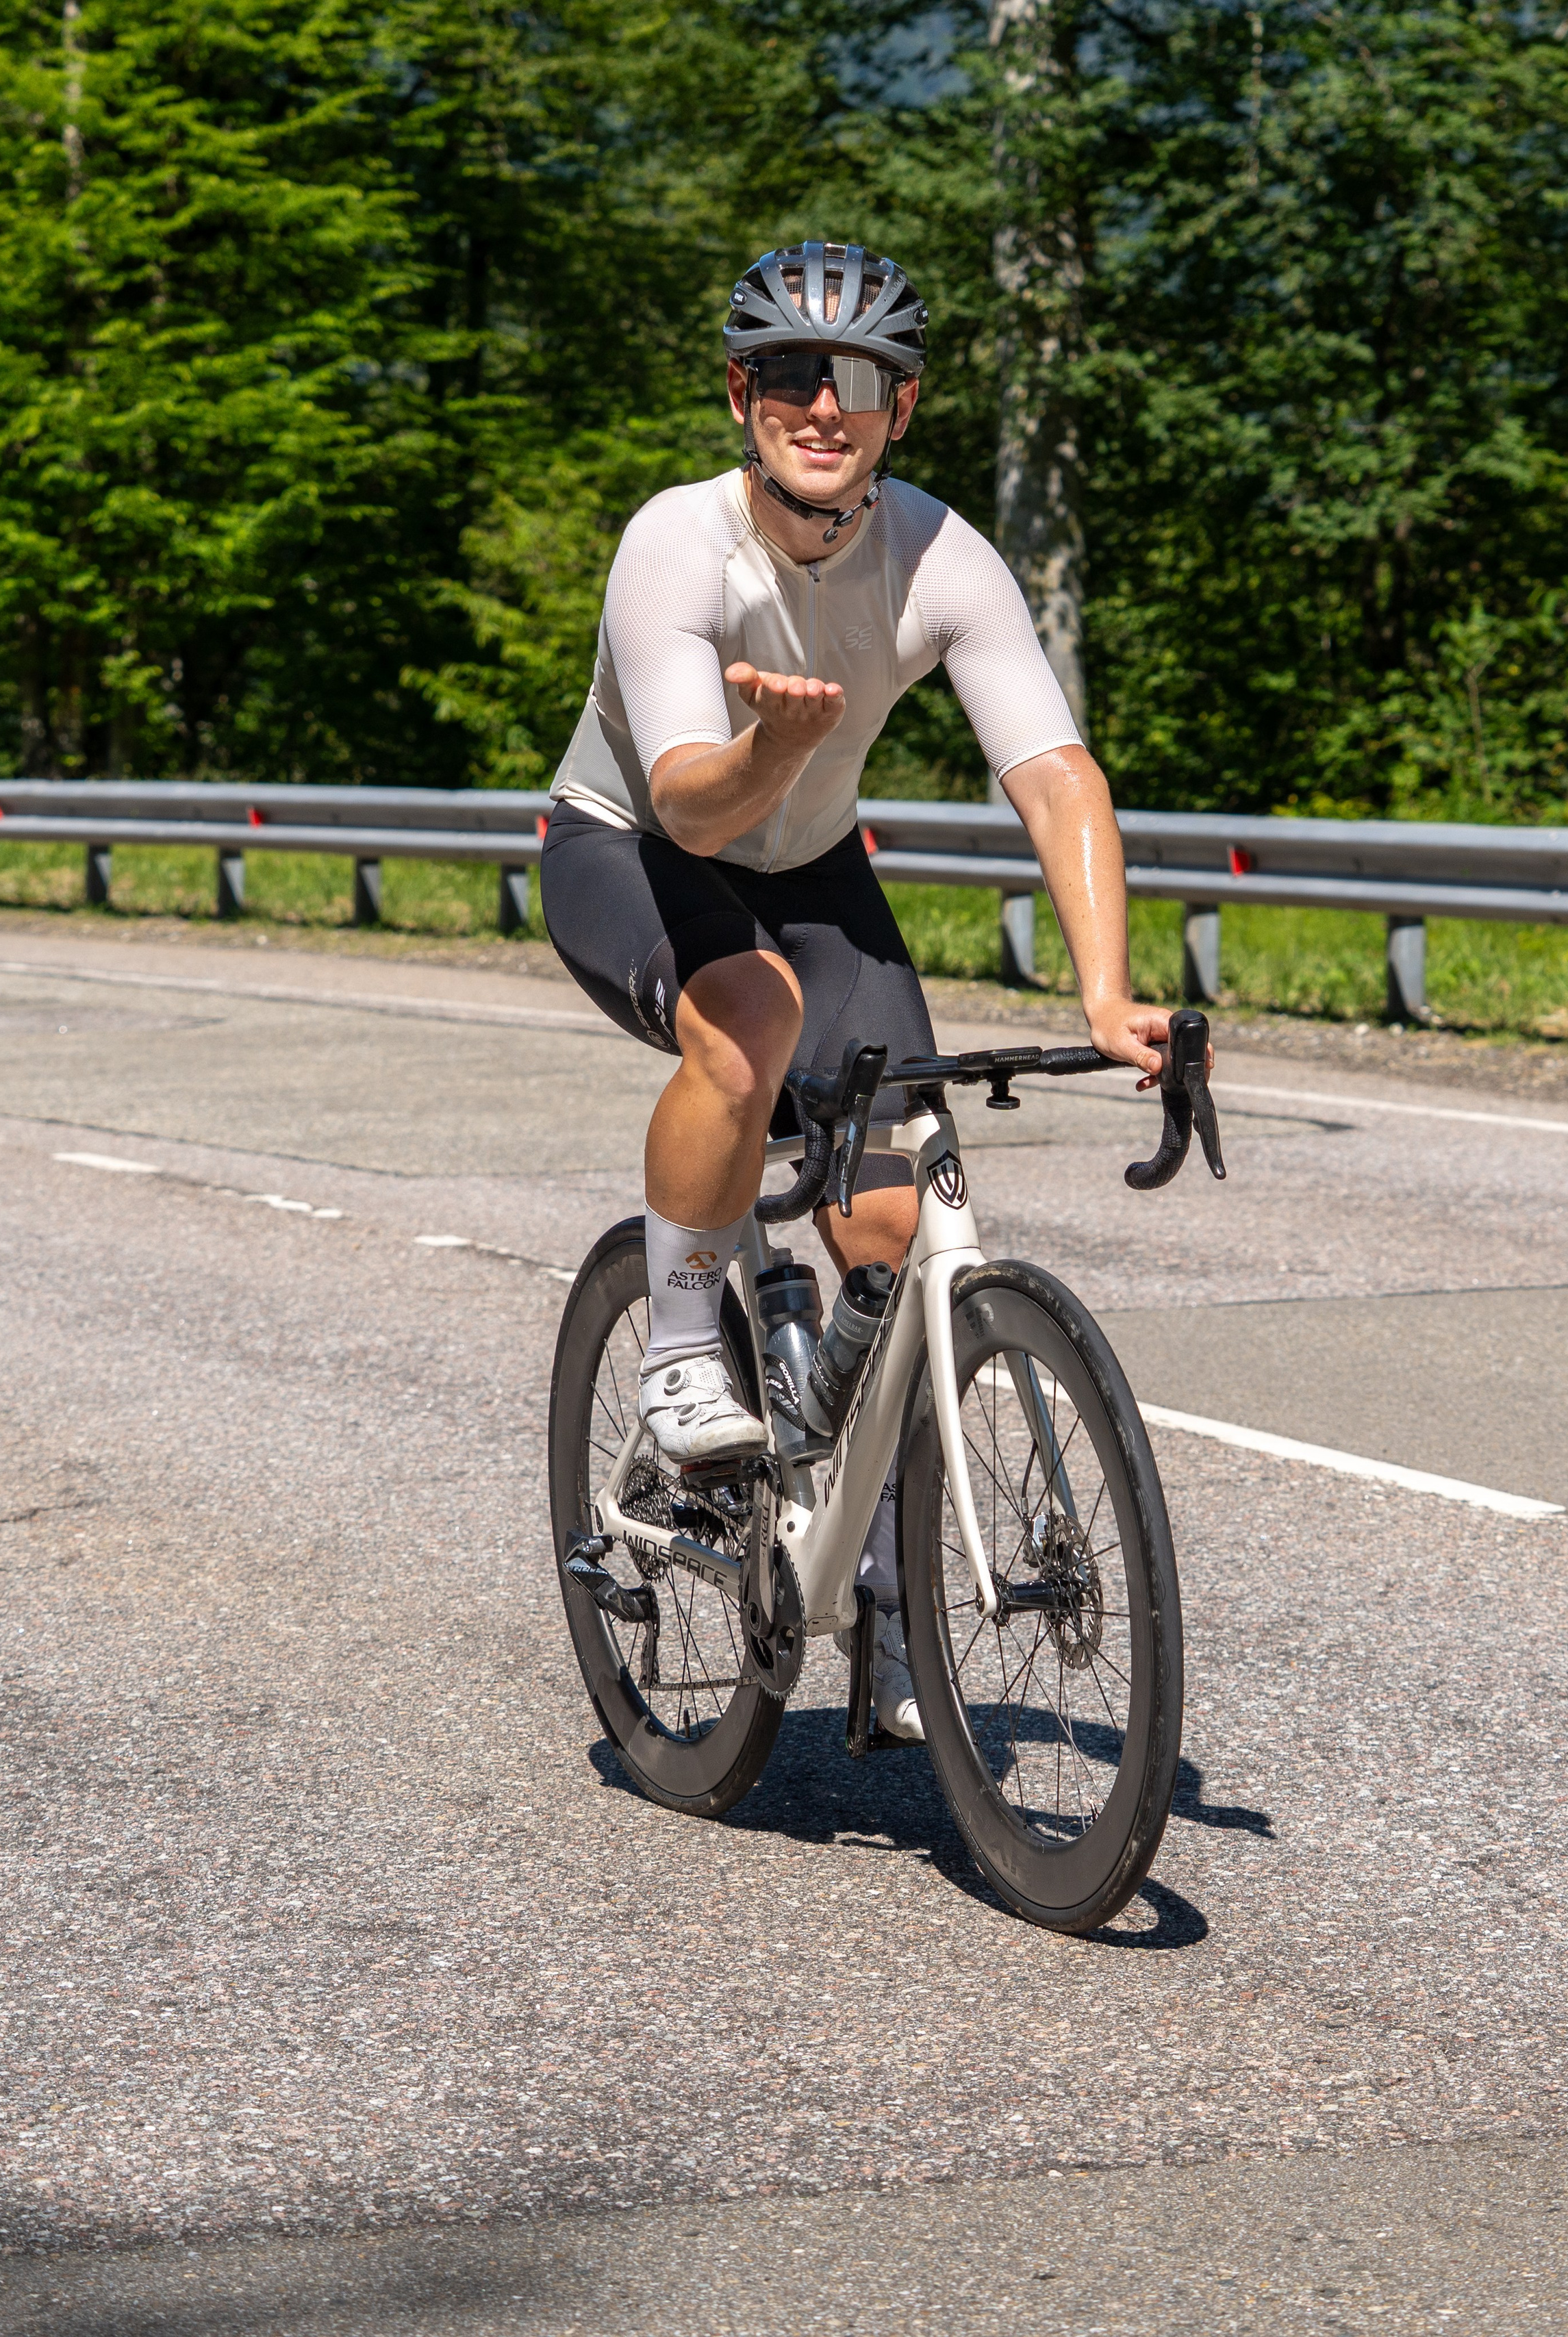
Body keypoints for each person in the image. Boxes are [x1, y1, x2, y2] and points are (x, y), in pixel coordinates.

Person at [540, 240, 1182, 1736]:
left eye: (860, 379)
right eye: (789, 373)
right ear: (739, 393)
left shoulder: (942, 555)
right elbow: (691, 802)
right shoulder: (676, 544)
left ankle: (888, 1593)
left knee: (899, 1231)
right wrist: (772, 747)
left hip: (813, 867)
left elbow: (1056, 776)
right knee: (750, 1016)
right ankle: (683, 1352)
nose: (822, 405)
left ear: (904, 406)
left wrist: (1105, 994)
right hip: (635, 845)